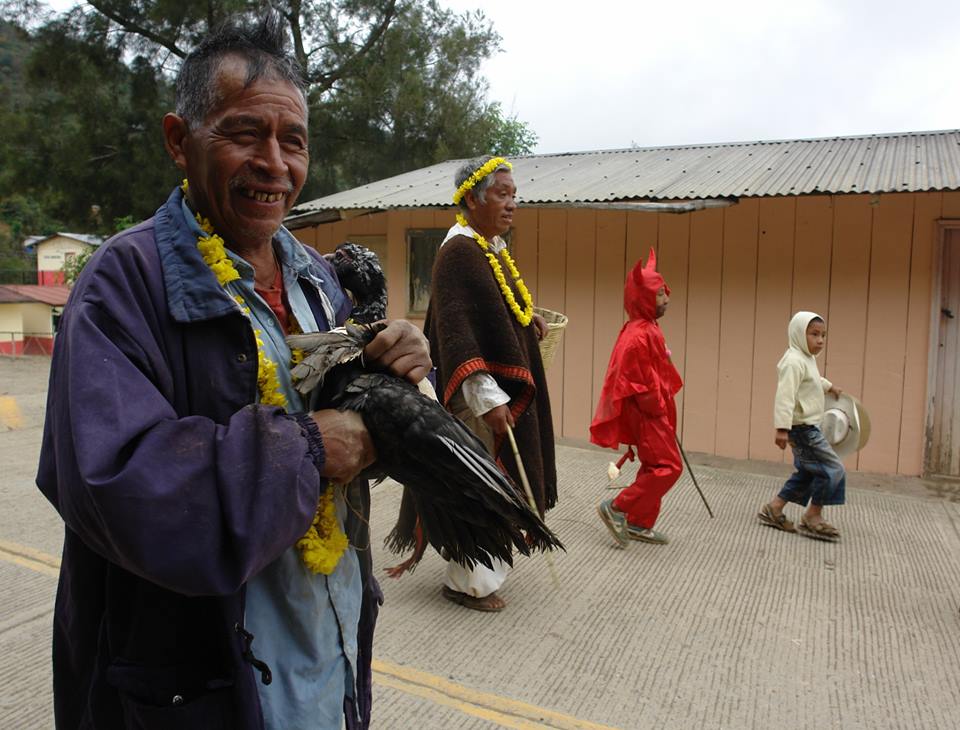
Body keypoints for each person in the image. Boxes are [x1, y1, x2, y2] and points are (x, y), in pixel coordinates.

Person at [35, 14, 430, 730]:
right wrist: (309, 447)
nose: (274, 164)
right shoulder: (123, 283)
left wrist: (390, 376)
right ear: (178, 141)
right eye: (246, 133)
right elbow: (117, 483)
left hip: (323, 654)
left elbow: (351, 439)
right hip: (193, 691)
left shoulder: (318, 278)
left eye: (294, 141)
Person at [424, 155, 557, 612]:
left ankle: (482, 571)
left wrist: (528, 317)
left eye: (513, 194)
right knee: (480, 485)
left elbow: (499, 310)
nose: (512, 203)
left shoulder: (490, 248)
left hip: (492, 394)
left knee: (497, 483)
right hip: (477, 398)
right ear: (470, 200)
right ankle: (467, 582)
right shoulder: (459, 252)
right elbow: (458, 333)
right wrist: (486, 395)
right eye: (502, 193)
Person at [590, 249, 684, 547]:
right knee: (669, 467)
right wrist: (658, 410)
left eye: (664, 292)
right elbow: (640, 382)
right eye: (658, 294)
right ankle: (618, 507)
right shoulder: (638, 335)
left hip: (656, 411)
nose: (666, 298)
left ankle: (638, 523)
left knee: (652, 466)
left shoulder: (646, 329)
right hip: (648, 413)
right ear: (642, 298)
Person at [758, 311, 845, 541]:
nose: (820, 340)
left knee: (807, 472)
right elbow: (785, 396)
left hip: (807, 427)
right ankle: (813, 516)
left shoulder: (806, 358)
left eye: (823, 335)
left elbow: (813, 379)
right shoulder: (793, 361)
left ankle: (774, 509)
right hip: (801, 429)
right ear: (798, 333)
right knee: (832, 469)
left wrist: (829, 387)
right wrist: (782, 428)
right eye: (814, 334)